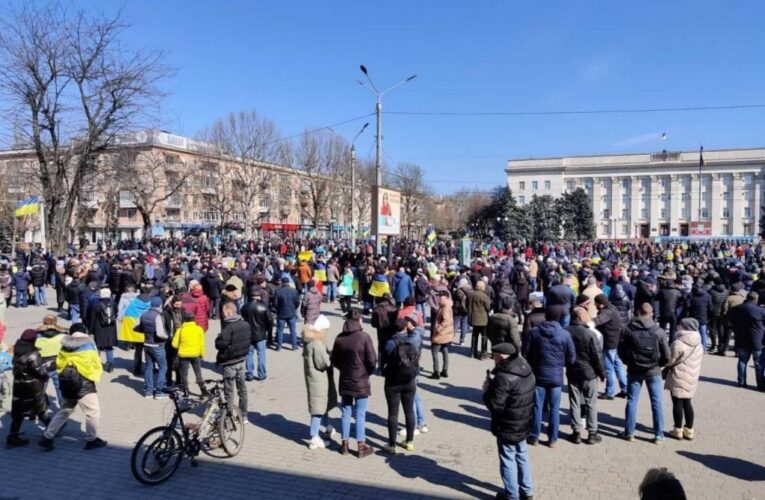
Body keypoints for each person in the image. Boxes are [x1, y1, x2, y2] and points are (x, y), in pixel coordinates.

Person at [40, 323, 107, 451]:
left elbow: (59, 363)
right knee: (93, 411)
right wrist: (95, 377)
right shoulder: (89, 344)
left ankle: (47, 437)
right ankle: (91, 439)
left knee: (65, 410)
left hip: (68, 382)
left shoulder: (65, 345)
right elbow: (95, 363)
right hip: (84, 383)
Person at [483, 343, 535, 500]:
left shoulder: (503, 377)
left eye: (494, 356)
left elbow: (495, 405)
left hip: (508, 425)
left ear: (500, 356)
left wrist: (486, 391)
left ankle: (512, 495)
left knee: (507, 459)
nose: (493, 359)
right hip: (524, 422)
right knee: (522, 455)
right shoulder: (526, 368)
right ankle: (527, 492)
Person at [618, 303, 671, 443]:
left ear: (637, 312)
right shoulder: (658, 331)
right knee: (657, 402)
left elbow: (621, 351)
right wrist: (659, 365)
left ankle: (629, 433)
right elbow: (667, 355)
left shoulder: (627, 329)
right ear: (651, 313)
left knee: (632, 400)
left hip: (634, 369)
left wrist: (628, 362)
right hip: (653, 370)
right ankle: (658, 435)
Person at [525, 309, 575, 447]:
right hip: (556, 376)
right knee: (554, 408)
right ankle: (552, 438)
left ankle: (534, 436)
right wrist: (560, 364)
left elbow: (526, 352)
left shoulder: (534, 332)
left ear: (546, 317)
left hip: (538, 374)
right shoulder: (565, 334)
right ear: (559, 318)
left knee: (537, 406)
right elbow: (572, 357)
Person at [330, 310, 376, 458]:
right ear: (359, 320)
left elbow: (334, 360)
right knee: (360, 414)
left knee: (346, 411)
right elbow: (372, 361)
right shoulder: (364, 337)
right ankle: (361, 446)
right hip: (361, 380)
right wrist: (367, 373)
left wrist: (344, 369)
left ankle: (344, 445)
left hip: (345, 379)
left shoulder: (339, 338)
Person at [566, 308, 605, 445]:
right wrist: (602, 373)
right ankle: (592, 433)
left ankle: (576, 432)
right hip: (589, 373)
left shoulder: (566, 331)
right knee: (591, 403)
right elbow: (597, 355)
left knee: (575, 402)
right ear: (581, 317)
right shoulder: (590, 334)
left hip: (572, 371)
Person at [6, 329, 51, 448]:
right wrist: (48, 366)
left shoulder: (17, 350)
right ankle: (52, 431)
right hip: (33, 387)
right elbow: (40, 371)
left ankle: (12, 437)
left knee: (18, 413)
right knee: (40, 409)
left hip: (19, 385)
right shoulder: (33, 354)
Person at [381, 318, 420, 454]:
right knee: (409, 411)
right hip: (410, 381)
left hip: (393, 383)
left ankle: (392, 445)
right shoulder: (413, 341)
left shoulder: (390, 344)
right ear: (405, 328)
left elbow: (383, 362)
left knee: (393, 413)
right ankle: (409, 442)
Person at [302, 315, 338, 450]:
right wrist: (330, 357)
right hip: (318, 379)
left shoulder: (310, 339)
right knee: (317, 408)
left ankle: (327, 427)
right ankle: (314, 437)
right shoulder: (316, 342)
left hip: (314, 378)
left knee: (322, 404)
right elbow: (322, 363)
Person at [665, 318, 703, 441]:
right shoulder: (699, 342)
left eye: (680, 325)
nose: (678, 326)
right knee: (687, 402)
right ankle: (689, 430)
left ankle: (678, 429)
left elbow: (670, 360)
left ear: (685, 327)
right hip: (692, 375)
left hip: (679, 374)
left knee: (677, 402)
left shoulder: (679, 343)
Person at [216, 302, 251, 420]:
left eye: (223, 312)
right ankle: (243, 415)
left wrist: (218, 339)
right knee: (242, 389)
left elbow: (221, 344)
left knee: (229, 391)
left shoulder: (228, 327)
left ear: (229, 312)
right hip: (241, 360)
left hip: (229, 362)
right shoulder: (245, 324)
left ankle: (229, 415)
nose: (222, 314)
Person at [728, 291, 765, 390]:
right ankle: (760, 384)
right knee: (758, 363)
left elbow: (729, 320)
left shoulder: (736, 309)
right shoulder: (761, 311)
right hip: (757, 340)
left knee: (742, 361)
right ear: (755, 299)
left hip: (741, 338)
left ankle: (741, 382)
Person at [593, 294, 628, 399]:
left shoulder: (606, 312)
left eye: (596, 303)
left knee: (609, 368)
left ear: (601, 304)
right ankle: (625, 389)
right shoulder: (612, 308)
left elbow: (598, 321)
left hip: (610, 342)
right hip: (616, 341)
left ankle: (609, 392)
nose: (595, 305)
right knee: (618, 365)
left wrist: (586, 322)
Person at [134, 296, 169, 399]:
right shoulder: (157, 316)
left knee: (149, 367)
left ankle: (148, 391)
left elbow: (137, 327)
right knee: (163, 367)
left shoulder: (143, 314)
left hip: (147, 344)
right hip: (157, 345)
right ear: (159, 305)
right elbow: (160, 333)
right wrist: (167, 336)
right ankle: (159, 391)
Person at [172, 311, 207, 397]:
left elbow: (174, 344)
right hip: (195, 354)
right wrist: (202, 354)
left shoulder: (180, 329)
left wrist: (181, 346)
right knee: (198, 373)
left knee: (184, 373)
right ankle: (203, 390)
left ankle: (186, 391)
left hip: (183, 355)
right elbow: (202, 343)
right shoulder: (199, 329)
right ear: (193, 319)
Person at [241, 287, 273, 381]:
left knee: (249, 354)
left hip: (248, 334)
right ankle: (261, 374)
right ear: (259, 296)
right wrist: (266, 329)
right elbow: (270, 320)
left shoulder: (245, 307)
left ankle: (250, 374)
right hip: (261, 334)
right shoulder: (263, 307)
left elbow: (242, 318)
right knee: (261, 354)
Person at [35, 315, 67, 406]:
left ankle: (40, 408)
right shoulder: (63, 336)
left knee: (41, 388)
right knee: (60, 388)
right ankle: (63, 410)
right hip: (57, 364)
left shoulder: (37, 336)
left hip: (42, 365)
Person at [86, 288, 118, 373]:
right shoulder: (113, 304)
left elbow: (92, 318)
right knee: (109, 347)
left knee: (98, 347)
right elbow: (116, 314)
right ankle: (110, 365)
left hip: (99, 328)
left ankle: (96, 364)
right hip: (111, 328)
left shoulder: (96, 305)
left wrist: (90, 330)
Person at [371, 293, 398, 372]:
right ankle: (389, 366)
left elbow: (373, 324)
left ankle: (380, 367)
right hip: (391, 331)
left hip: (380, 331)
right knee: (390, 348)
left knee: (380, 348)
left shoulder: (377, 308)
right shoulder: (393, 308)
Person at [430, 291, 454, 380]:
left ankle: (436, 372)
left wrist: (438, 329)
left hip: (441, 334)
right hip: (446, 334)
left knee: (434, 351)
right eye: (439, 296)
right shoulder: (445, 305)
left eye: (441, 296)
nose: (439, 298)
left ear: (446, 297)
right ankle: (444, 370)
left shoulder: (446, 307)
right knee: (444, 350)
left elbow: (447, 321)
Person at [162, 294, 184, 388]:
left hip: (180, 339)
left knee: (179, 361)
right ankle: (169, 380)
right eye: (177, 305)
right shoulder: (166, 313)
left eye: (180, 305)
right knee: (169, 361)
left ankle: (179, 380)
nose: (178, 307)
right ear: (172, 303)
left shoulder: (183, 312)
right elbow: (163, 326)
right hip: (170, 339)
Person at [274, 277, 300, 351]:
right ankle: (294, 346)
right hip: (291, 313)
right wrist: (294, 308)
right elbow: (297, 303)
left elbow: (275, 304)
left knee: (280, 330)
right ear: (289, 283)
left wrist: (278, 309)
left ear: (282, 282)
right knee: (293, 330)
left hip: (281, 313)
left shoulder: (278, 291)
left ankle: (279, 346)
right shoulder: (294, 291)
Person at [468, 280, 492, 359]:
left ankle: (472, 352)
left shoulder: (470, 294)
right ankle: (483, 353)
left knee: (474, 335)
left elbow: (466, 304)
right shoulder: (484, 296)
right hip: (483, 319)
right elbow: (488, 307)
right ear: (482, 287)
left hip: (473, 317)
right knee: (484, 336)